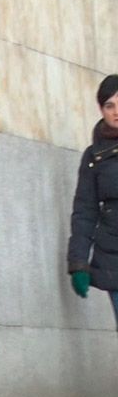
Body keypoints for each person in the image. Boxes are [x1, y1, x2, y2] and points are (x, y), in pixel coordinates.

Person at [67, 73, 118, 329]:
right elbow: (84, 212)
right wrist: (78, 263)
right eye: (110, 105)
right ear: (101, 109)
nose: (116, 112)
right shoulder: (94, 155)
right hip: (113, 257)